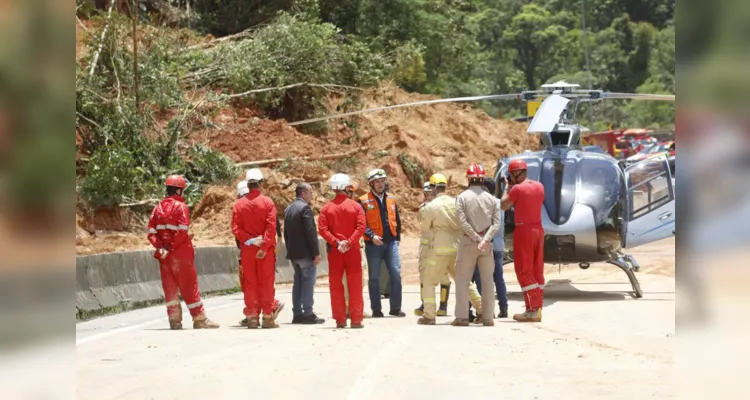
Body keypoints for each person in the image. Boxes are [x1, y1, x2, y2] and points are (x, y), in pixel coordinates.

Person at [147, 174, 219, 330]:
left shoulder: (157, 208)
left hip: (164, 255)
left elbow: (151, 232)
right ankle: (199, 319)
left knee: (169, 287)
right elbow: (182, 230)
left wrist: (161, 247)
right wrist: (172, 246)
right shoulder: (181, 207)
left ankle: (174, 320)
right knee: (189, 285)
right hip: (180, 254)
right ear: (179, 191)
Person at [417, 173, 484, 324]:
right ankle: (482, 310)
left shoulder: (431, 206)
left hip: (438, 250)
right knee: (464, 281)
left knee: (429, 281)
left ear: (433, 188)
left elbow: (424, 228)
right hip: (456, 248)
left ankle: (429, 315)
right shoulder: (456, 203)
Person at [452, 164, 501, 327]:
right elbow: (496, 224)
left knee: (462, 279)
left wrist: (475, 238)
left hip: (468, 243)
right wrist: (485, 239)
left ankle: (462, 317)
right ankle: (488, 318)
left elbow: (462, 221)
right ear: (483, 179)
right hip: (486, 245)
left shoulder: (462, 197)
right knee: (488, 281)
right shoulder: (492, 199)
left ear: (468, 179)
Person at [231, 168, 279, 329]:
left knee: (250, 282)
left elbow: (235, 229)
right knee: (266, 282)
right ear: (260, 183)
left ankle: (252, 317)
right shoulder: (267, 202)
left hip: (248, 250)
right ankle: (267, 316)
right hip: (264, 251)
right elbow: (271, 227)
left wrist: (251, 241)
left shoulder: (239, 204)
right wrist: (264, 245)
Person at [319, 173, 367, 329]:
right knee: (355, 285)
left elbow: (322, 229)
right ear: (347, 187)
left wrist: (336, 242)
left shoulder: (326, 208)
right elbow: (361, 227)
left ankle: (340, 319)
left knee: (336, 286)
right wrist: (349, 242)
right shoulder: (356, 206)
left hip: (335, 252)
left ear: (333, 188)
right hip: (352, 251)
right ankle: (356, 320)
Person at [500, 159, 545, 322]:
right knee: (537, 269)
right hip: (538, 230)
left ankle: (533, 309)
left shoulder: (517, 189)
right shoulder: (539, 186)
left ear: (515, 174)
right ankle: (536, 306)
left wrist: (507, 187)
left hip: (523, 231)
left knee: (524, 269)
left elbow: (503, 205)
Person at [359, 169, 405, 317]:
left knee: (396, 273)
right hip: (373, 245)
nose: (380, 184)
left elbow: (396, 219)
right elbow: (361, 223)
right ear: (371, 183)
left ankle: (395, 308)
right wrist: (371, 236)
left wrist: (397, 237)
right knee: (374, 277)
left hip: (391, 243)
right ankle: (376, 310)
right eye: (377, 182)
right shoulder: (363, 200)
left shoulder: (391, 199)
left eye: (382, 181)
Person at [284, 182, 324, 324]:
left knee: (298, 284)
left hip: (294, 254)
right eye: (310, 193)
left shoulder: (288, 209)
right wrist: (316, 253)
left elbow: (286, 234)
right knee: (307, 283)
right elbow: (310, 232)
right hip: (306, 254)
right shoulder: (305, 209)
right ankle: (308, 313)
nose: (312, 196)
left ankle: (297, 314)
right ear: (303, 193)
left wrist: (289, 250)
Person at [470, 178, 509, 319]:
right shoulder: (499, 203)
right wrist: (507, 186)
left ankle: (486, 310)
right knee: (498, 278)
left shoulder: (484, 203)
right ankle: (503, 308)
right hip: (499, 246)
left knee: (482, 279)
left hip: (487, 245)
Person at [343, 181, 371, 319]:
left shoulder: (336, 206)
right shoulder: (355, 208)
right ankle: (356, 309)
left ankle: (348, 308)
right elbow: (360, 228)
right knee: (358, 281)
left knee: (345, 281)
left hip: (342, 248)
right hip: (354, 247)